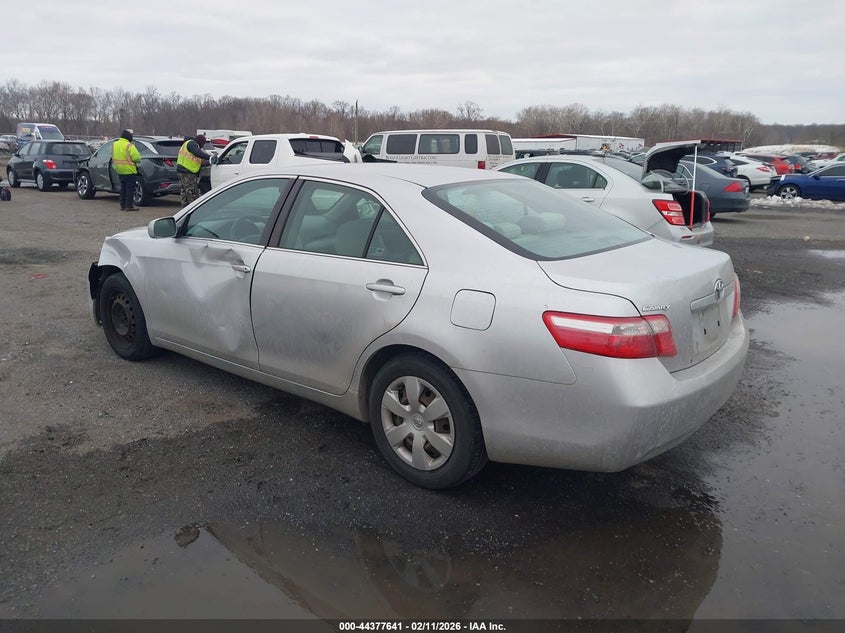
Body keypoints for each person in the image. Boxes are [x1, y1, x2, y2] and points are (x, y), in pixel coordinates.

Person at [177, 134, 212, 206]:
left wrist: (206, 162)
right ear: (201, 142)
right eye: (203, 143)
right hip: (187, 173)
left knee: (185, 194)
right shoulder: (191, 143)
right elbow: (197, 153)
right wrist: (210, 157)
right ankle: (193, 211)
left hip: (184, 171)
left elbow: (196, 160)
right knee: (192, 194)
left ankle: (185, 211)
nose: (203, 146)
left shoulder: (191, 145)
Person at [112, 129, 141, 211]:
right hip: (129, 170)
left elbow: (112, 155)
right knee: (130, 189)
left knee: (123, 188)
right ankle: (129, 206)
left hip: (119, 170)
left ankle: (122, 205)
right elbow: (137, 158)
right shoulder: (129, 145)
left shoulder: (114, 144)